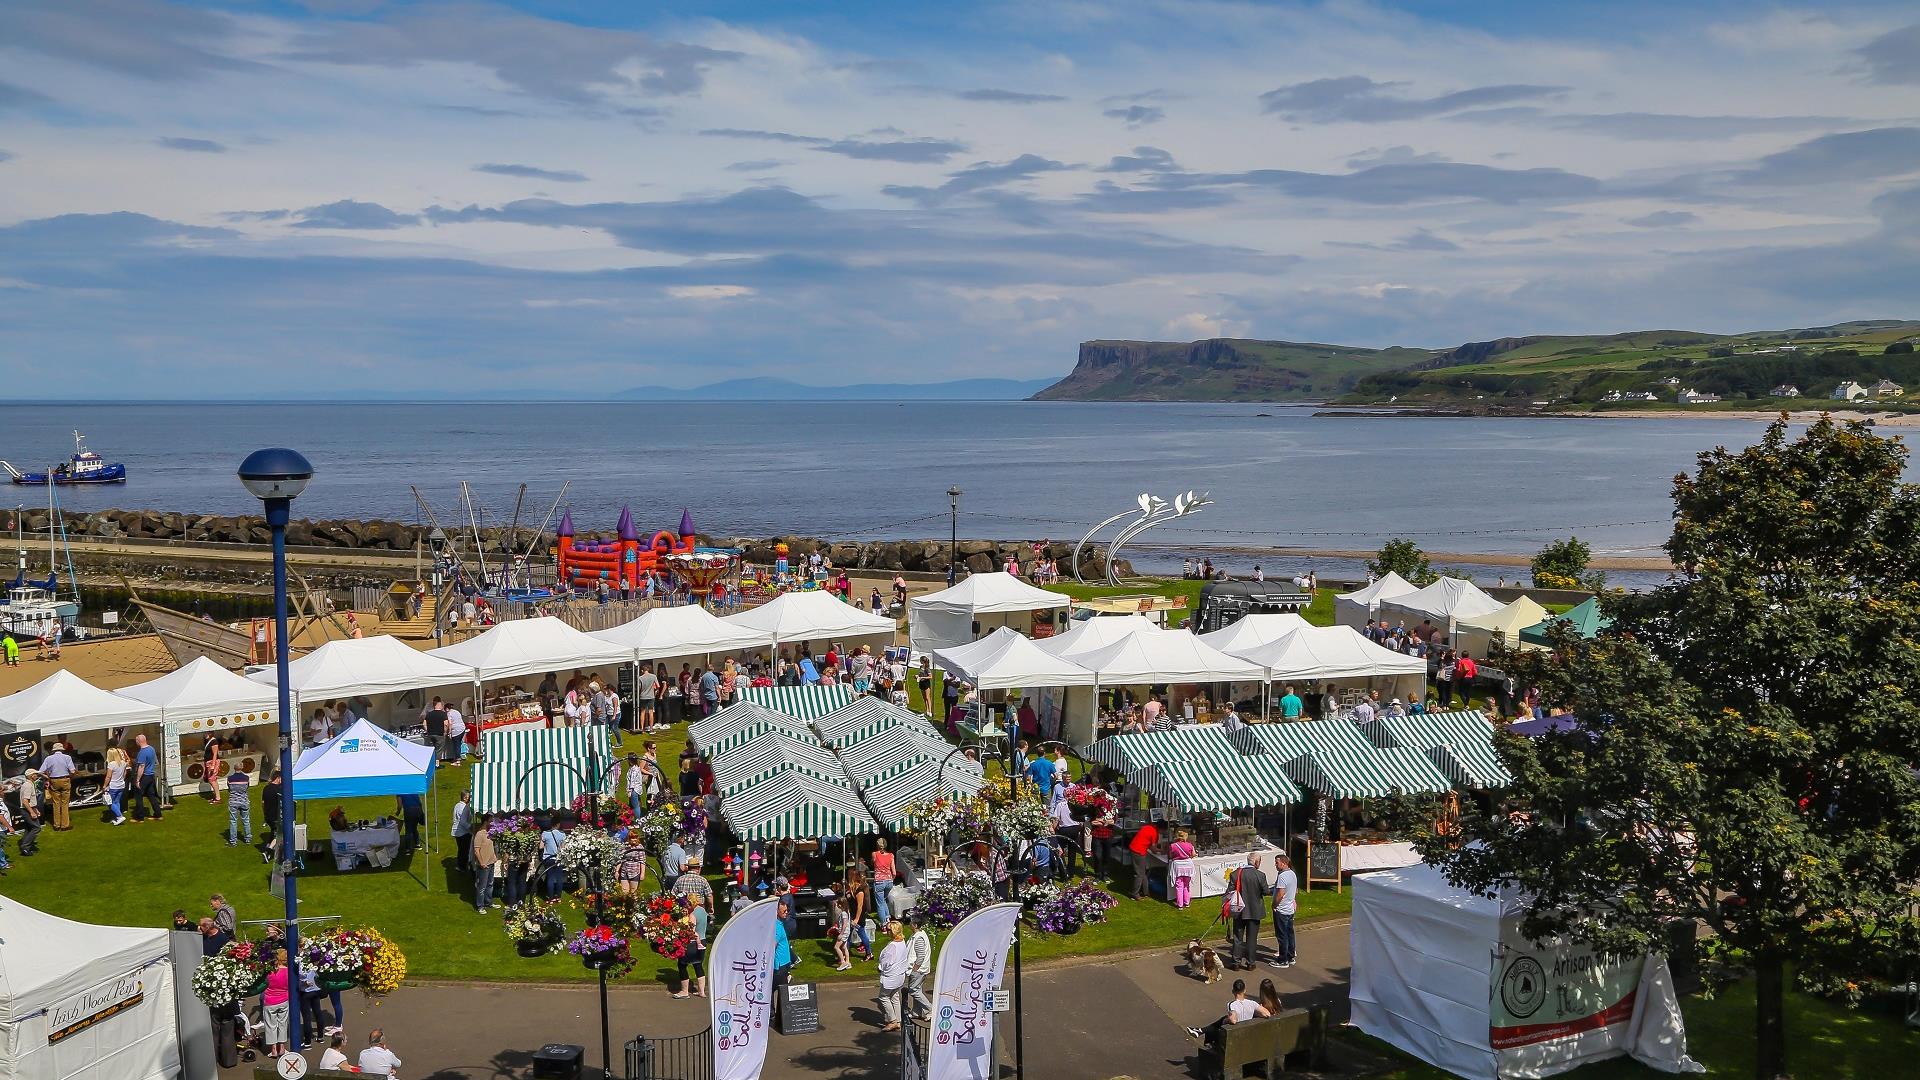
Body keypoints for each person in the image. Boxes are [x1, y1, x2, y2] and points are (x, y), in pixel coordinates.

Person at [1184, 978, 1271, 1047]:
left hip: (1236, 1038)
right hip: (1249, 1035)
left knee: (1215, 1028)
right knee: (1220, 1022)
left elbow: (1233, 1020)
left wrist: (1225, 1020)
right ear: (1244, 990)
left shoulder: (1232, 1004)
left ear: (1233, 991)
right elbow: (1267, 1014)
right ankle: (1199, 1031)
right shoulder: (1252, 1003)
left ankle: (1201, 1032)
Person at [1226, 855, 1270, 971]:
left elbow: (1229, 892)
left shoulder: (1235, 874)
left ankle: (1236, 962)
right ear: (1256, 862)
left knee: (1237, 937)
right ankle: (1250, 963)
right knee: (1252, 938)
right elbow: (1266, 891)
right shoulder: (1260, 875)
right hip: (1255, 911)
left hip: (1239, 911)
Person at [671, 895, 708, 999]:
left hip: (694, 943)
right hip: (703, 940)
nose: (686, 905)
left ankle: (684, 991)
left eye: (688, 903)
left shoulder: (692, 915)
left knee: (682, 964)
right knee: (698, 965)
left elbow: (691, 931)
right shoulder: (702, 910)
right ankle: (701, 991)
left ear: (691, 903)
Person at [876, 920, 909, 1031]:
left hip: (892, 977)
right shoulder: (902, 942)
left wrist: (880, 968)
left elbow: (886, 962)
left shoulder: (892, 946)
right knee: (894, 996)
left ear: (894, 931)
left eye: (889, 929)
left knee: (883, 997)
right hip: (900, 975)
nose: (887, 931)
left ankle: (892, 1021)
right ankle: (898, 1021)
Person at [261, 949, 292, 1059]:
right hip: (284, 1000)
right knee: (282, 1024)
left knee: (270, 1025)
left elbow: (264, 984)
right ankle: (282, 1048)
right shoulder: (288, 971)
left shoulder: (269, 971)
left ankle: (273, 1049)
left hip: (269, 1001)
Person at [1270, 853, 1298, 969]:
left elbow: (1280, 893)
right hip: (1290, 909)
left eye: (1277, 863)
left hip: (1282, 910)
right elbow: (1295, 890)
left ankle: (1283, 960)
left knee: (1282, 935)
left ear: (1283, 863)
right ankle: (1291, 956)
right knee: (1290, 933)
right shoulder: (1292, 874)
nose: (1275, 865)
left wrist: (1274, 904)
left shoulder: (1282, 876)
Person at [905, 913, 933, 1019]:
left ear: (915, 925)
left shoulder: (919, 938)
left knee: (913, 990)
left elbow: (920, 955)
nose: (909, 924)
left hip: (918, 969)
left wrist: (915, 968)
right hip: (919, 969)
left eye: (911, 922)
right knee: (917, 989)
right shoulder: (917, 935)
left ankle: (930, 1009)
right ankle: (916, 1012)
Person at [40, 741, 73, 830]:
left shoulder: (48, 758)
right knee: (65, 803)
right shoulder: (67, 757)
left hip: (54, 780)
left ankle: (57, 824)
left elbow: (41, 771)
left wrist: (48, 777)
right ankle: (65, 825)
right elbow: (72, 771)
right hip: (65, 779)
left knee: (56, 803)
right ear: (62, 749)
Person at [471, 813, 499, 912]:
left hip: (491, 862)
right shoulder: (479, 834)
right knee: (481, 886)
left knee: (490, 884)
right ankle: (480, 906)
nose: (492, 822)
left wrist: (494, 857)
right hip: (483, 864)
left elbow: (492, 846)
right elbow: (476, 851)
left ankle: (489, 902)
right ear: (486, 821)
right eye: (491, 820)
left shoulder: (490, 832)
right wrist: (482, 863)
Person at [846, 867, 874, 960]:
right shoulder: (850, 888)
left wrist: (857, 919)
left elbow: (860, 906)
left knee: (862, 933)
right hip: (851, 914)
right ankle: (846, 952)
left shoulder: (860, 890)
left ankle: (869, 953)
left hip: (858, 916)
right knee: (848, 934)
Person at [1127, 818, 1160, 900]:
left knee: (1142, 872)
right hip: (1138, 851)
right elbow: (1154, 849)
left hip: (1134, 848)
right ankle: (1134, 893)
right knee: (1139, 874)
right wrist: (1163, 851)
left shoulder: (1147, 827)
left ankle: (1146, 891)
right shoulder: (1155, 833)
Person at [1167, 829, 1198, 909]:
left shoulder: (1173, 845)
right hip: (1188, 865)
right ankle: (1187, 902)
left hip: (1178, 866)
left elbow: (1170, 856)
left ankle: (1180, 904)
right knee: (1186, 885)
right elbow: (1193, 854)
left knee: (1179, 885)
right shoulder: (1190, 845)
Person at [225, 761, 252, 846]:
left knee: (233, 821)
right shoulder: (246, 778)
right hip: (244, 801)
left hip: (233, 801)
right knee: (246, 820)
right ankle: (248, 839)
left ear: (234, 768)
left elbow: (229, 789)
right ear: (242, 767)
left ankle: (233, 841)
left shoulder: (230, 778)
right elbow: (247, 788)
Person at [871, 837, 897, 925]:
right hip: (889, 881)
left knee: (880, 903)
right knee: (884, 900)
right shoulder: (891, 855)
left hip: (879, 882)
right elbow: (894, 872)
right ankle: (887, 918)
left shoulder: (875, 854)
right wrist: (891, 879)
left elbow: (873, 862)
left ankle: (884, 924)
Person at [540, 818, 566, 899]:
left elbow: (541, 847)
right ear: (558, 825)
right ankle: (558, 895)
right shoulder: (562, 834)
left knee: (550, 877)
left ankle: (550, 896)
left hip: (548, 857)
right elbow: (563, 848)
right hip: (558, 858)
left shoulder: (545, 834)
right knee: (559, 877)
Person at [826, 889, 852, 971]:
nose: (837, 905)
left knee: (836, 947)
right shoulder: (847, 911)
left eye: (838, 904)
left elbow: (844, 924)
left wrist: (841, 933)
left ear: (842, 905)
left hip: (843, 933)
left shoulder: (844, 913)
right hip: (846, 932)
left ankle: (843, 962)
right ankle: (848, 962)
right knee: (844, 947)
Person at [261, 769, 284, 858]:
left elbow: (263, 803)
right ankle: (268, 851)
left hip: (268, 815)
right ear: (278, 778)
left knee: (273, 832)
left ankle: (268, 847)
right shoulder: (279, 789)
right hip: (276, 816)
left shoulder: (266, 788)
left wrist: (264, 815)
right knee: (279, 834)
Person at [103, 745, 128, 825]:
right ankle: (117, 817)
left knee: (111, 803)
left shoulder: (111, 764)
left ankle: (120, 816)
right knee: (117, 802)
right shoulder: (123, 763)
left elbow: (108, 776)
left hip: (113, 786)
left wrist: (104, 785)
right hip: (121, 785)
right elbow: (124, 774)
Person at [451, 789, 473, 868]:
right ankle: (463, 866)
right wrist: (471, 828)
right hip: (463, 832)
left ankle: (461, 866)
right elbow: (463, 822)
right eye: (469, 797)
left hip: (459, 832)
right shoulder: (464, 807)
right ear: (464, 798)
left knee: (461, 850)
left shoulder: (458, 805)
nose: (470, 798)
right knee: (464, 850)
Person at [635, 664, 659, 733]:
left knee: (642, 712)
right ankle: (651, 728)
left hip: (643, 696)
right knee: (651, 712)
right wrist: (655, 691)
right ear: (648, 670)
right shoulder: (653, 676)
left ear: (642, 670)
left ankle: (642, 729)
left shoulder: (640, 678)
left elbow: (639, 688)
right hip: (651, 696)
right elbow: (658, 686)